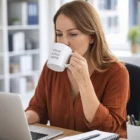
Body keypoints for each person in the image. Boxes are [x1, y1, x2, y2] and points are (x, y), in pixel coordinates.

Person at [26, 0, 129, 138]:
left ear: (92, 37)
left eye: (73, 34)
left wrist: (84, 81)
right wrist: (21, 118)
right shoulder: (51, 68)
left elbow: (109, 129)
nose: (64, 42)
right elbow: (38, 108)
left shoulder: (117, 72)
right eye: (59, 34)